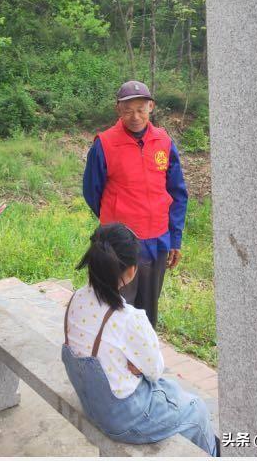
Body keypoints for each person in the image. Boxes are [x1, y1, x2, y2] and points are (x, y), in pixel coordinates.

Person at [62, 223, 218, 456]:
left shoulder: (77, 298)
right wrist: (134, 365)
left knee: (173, 392)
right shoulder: (129, 319)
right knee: (197, 411)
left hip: (90, 400)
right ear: (132, 270)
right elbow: (154, 370)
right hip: (121, 418)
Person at [83, 80, 188, 328]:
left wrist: (175, 238)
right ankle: (112, 361)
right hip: (119, 245)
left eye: (141, 109)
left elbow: (177, 192)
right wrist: (115, 221)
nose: (135, 116)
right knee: (116, 308)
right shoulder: (105, 144)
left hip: (158, 240)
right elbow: (91, 191)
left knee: (147, 311)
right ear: (118, 109)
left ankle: (142, 363)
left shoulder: (163, 141)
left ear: (151, 107)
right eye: (128, 109)